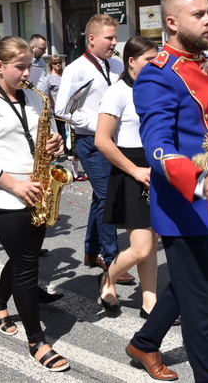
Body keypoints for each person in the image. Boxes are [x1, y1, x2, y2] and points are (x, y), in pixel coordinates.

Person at [127, 0, 208, 382]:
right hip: (187, 202)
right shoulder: (157, 75)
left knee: (191, 283)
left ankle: (144, 342)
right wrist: (197, 182)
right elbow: (157, 146)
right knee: (203, 301)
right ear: (171, 22)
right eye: (199, 14)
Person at [0, 36, 68, 371]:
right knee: (27, 264)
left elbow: (49, 140)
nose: (27, 74)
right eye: (20, 67)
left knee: (24, 257)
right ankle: (36, 340)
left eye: (29, 67)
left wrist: (55, 142)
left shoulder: (35, 99)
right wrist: (14, 184)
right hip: (4, 196)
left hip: (37, 191)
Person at [55, 14, 135, 285]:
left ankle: (91, 251)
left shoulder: (116, 65)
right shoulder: (75, 69)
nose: (115, 42)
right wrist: (98, 124)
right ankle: (110, 258)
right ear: (91, 39)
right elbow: (62, 110)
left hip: (113, 141)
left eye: (115, 37)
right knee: (108, 197)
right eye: (109, 38)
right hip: (90, 141)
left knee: (100, 198)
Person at [94, 36, 160, 318]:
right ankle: (109, 279)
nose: (156, 65)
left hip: (155, 166)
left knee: (152, 240)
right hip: (130, 169)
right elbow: (102, 140)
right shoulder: (118, 91)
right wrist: (133, 170)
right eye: (149, 60)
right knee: (142, 246)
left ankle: (149, 300)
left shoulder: (155, 89)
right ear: (131, 62)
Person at [46, 55, 67, 153]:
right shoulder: (49, 77)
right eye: (55, 63)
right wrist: (53, 105)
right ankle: (59, 149)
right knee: (58, 128)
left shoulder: (65, 75)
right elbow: (49, 92)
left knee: (67, 128)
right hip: (55, 106)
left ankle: (68, 149)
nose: (58, 64)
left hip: (66, 105)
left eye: (59, 62)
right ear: (51, 64)